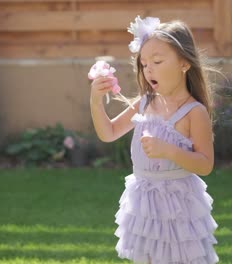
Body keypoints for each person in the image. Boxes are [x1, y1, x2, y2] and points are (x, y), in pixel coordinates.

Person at [90, 16, 219, 264]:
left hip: (178, 207)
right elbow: (109, 133)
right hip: (143, 202)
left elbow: (205, 165)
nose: (148, 69)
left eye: (157, 61)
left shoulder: (194, 112)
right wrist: (96, 101)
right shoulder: (145, 102)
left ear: (184, 63)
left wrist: (168, 151)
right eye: (144, 63)